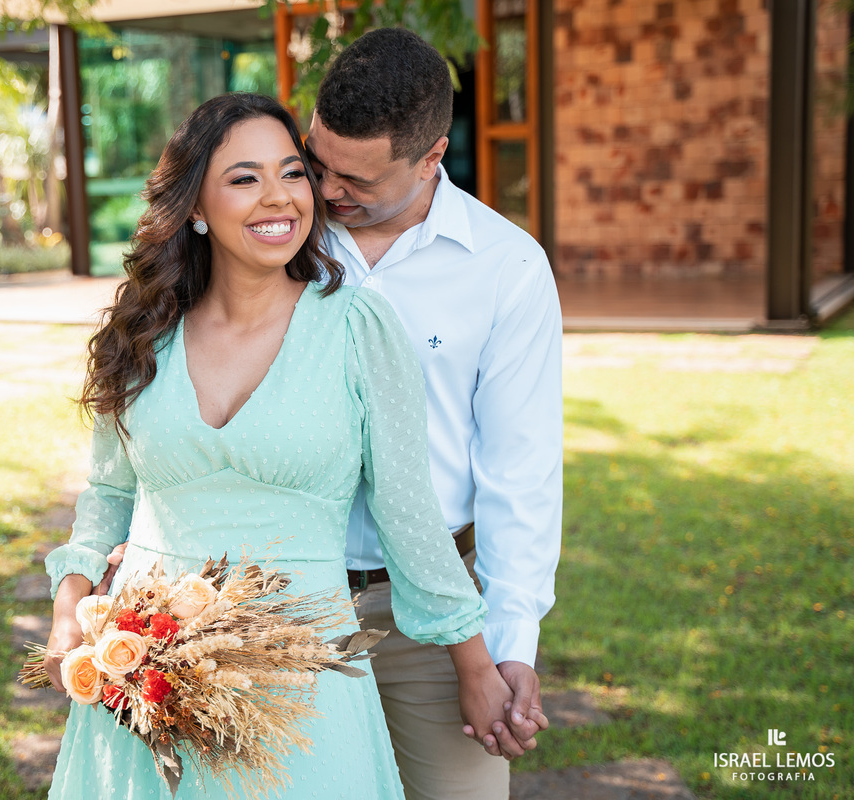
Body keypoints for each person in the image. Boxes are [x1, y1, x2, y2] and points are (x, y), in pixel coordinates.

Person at [41, 92, 512, 799]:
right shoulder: (141, 336)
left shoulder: (357, 327)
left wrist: (476, 666)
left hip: (304, 682)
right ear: (195, 207)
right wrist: (68, 610)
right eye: (244, 178)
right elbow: (108, 494)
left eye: (293, 173)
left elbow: (409, 514)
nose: (279, 197)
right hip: (143, 676)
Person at [305, 28, 564, 800]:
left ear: (431, 158)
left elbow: (520, 470)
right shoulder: (275, 239)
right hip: (285, 596)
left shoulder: (507, 268)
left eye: (355, 178)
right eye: (317, 161)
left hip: (439, 618)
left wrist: (511, 645)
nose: (325, 190)